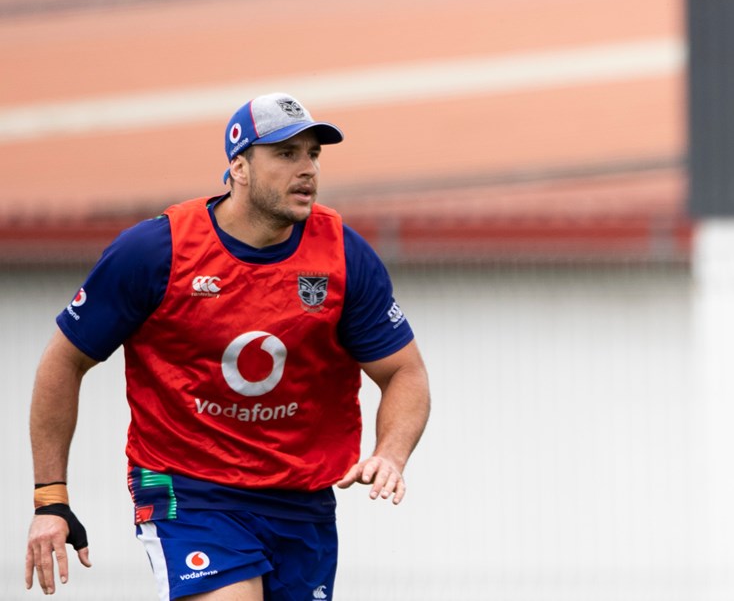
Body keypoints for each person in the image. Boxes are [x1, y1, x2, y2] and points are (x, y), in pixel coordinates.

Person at [22, 92, 431, 600]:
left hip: (301, 499)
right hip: (189, 488)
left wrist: (390, 455)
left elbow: (404, 373)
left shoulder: (343, 255)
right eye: (286, 154)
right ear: (238, 166)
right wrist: (50, 500)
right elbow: (65, 358)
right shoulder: (156, 251)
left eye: (313, 155)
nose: (306, 169)